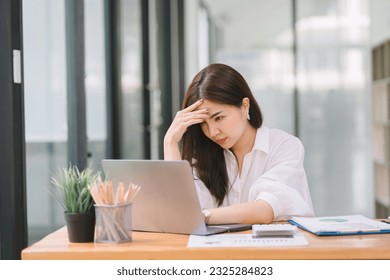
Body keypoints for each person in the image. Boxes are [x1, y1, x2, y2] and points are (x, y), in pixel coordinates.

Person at [164, 63, 314, 225]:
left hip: (278, 249)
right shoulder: (204, 157)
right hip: (222, 250)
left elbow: (264, 210)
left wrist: (201, 216)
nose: (213, 132)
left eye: (219, 118)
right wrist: (170, 142)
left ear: (244, 106)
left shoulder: (283, 146)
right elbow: (179, 212)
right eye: (203, 123)